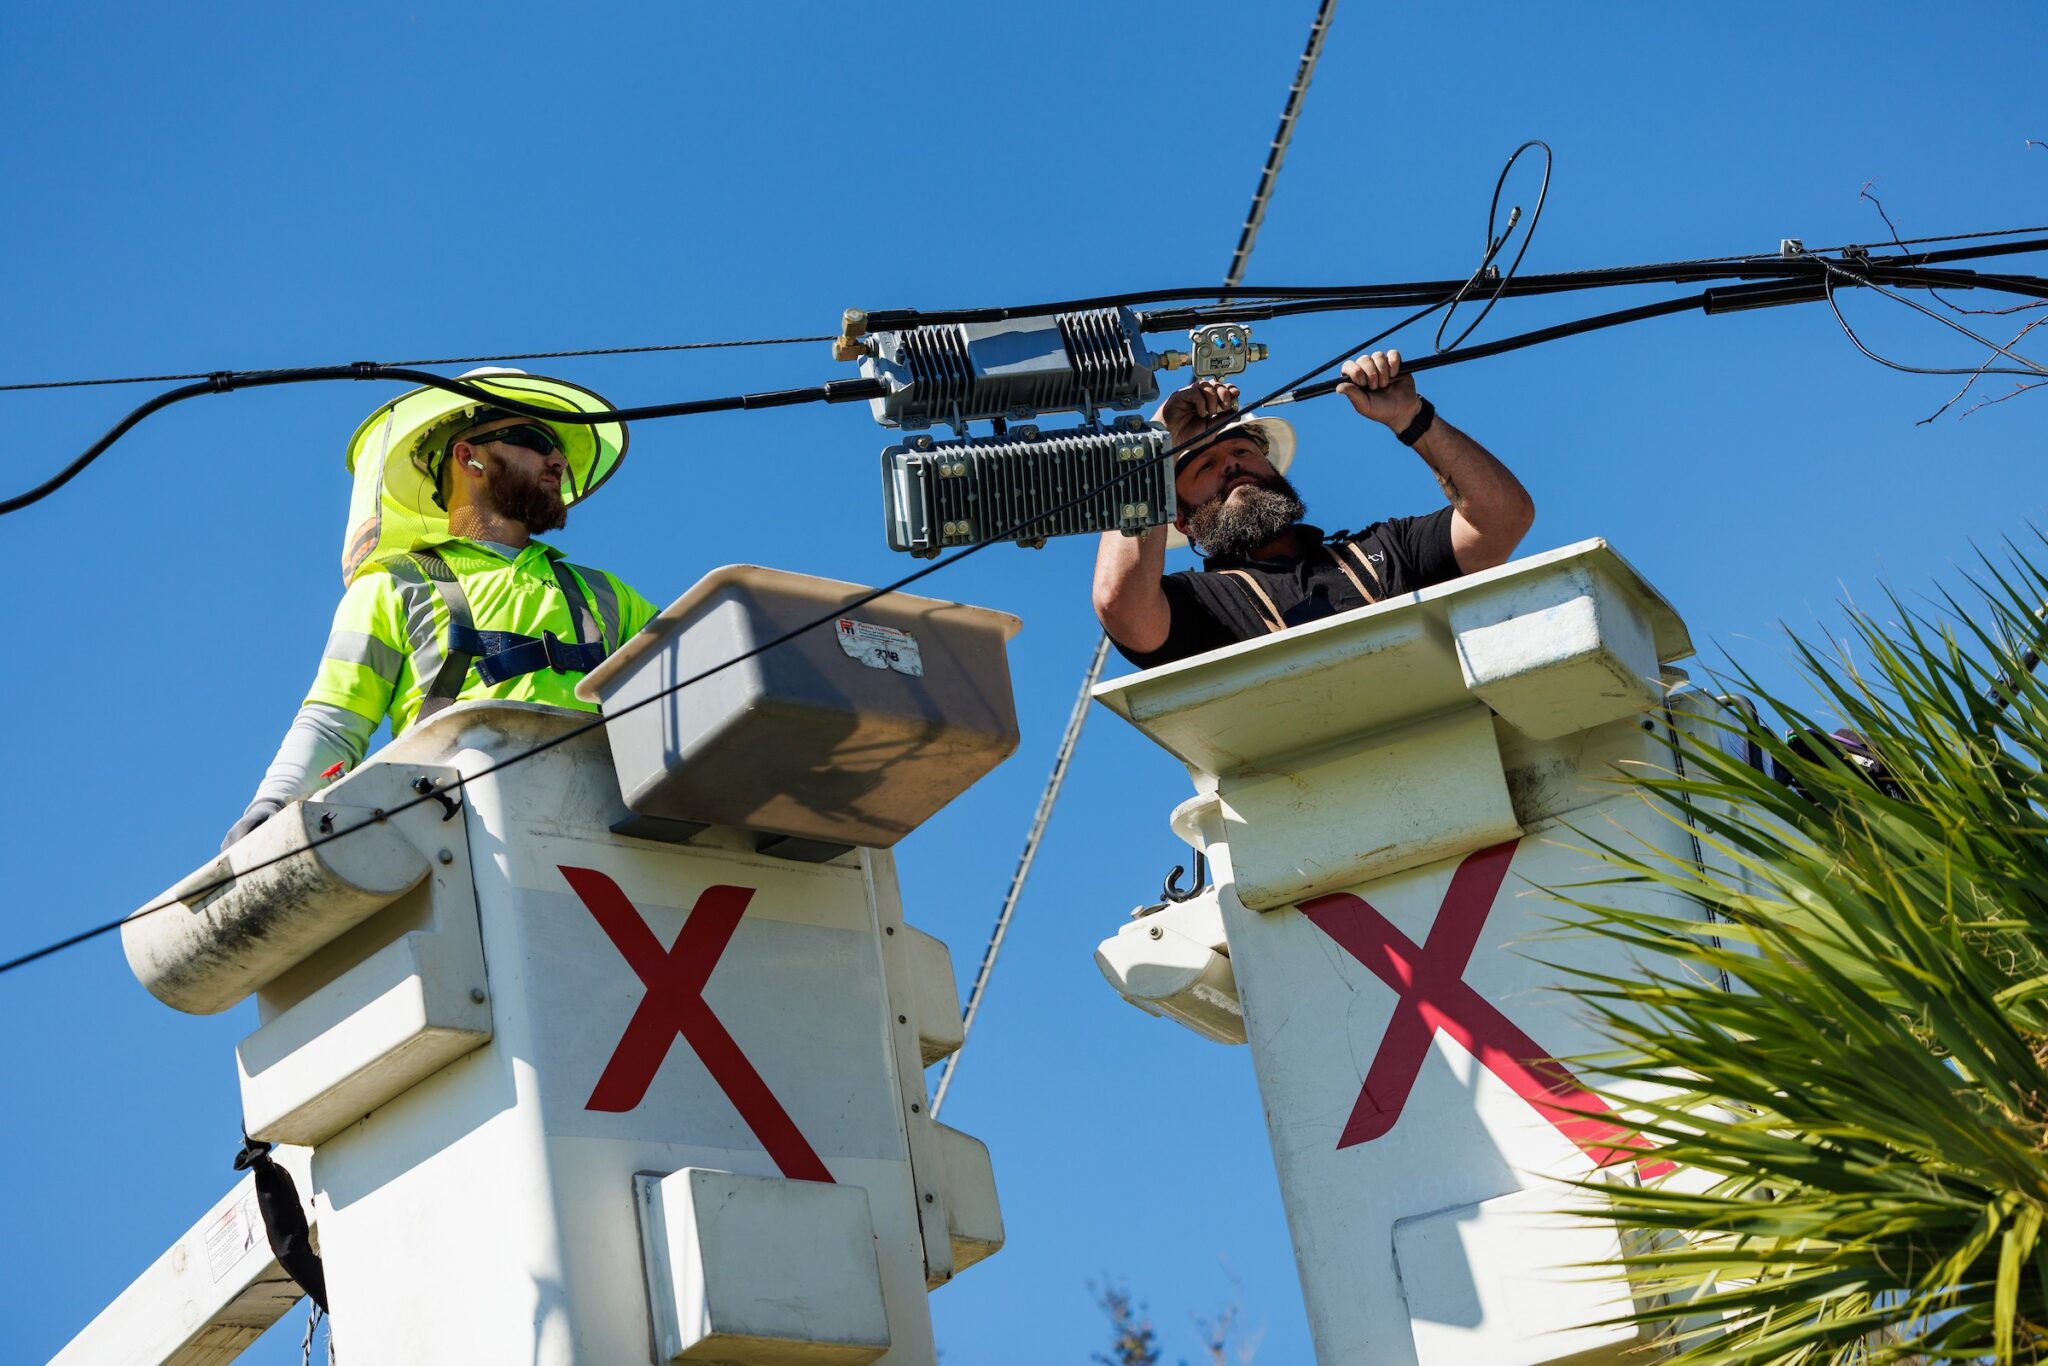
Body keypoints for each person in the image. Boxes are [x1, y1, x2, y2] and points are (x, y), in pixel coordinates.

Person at [222, 368, 659, 848]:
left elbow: (695, 677)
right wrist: (272, 807)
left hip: (609, 835)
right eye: (534, 438)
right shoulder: (395, 586)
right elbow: (334, 720)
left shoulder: (605, 594)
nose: (556, 459)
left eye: (557, 448)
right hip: (466, 838)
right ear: (468, 457)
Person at [1091, 349, 1535, 669]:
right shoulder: (1197, 603)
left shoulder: (1384, 548)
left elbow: (1503, 519)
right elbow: (1119, 601)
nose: (1230, 463)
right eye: (1204, 465)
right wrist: (1155, 444)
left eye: (1243, 451)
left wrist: (1411, 416)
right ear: (1181, 520)